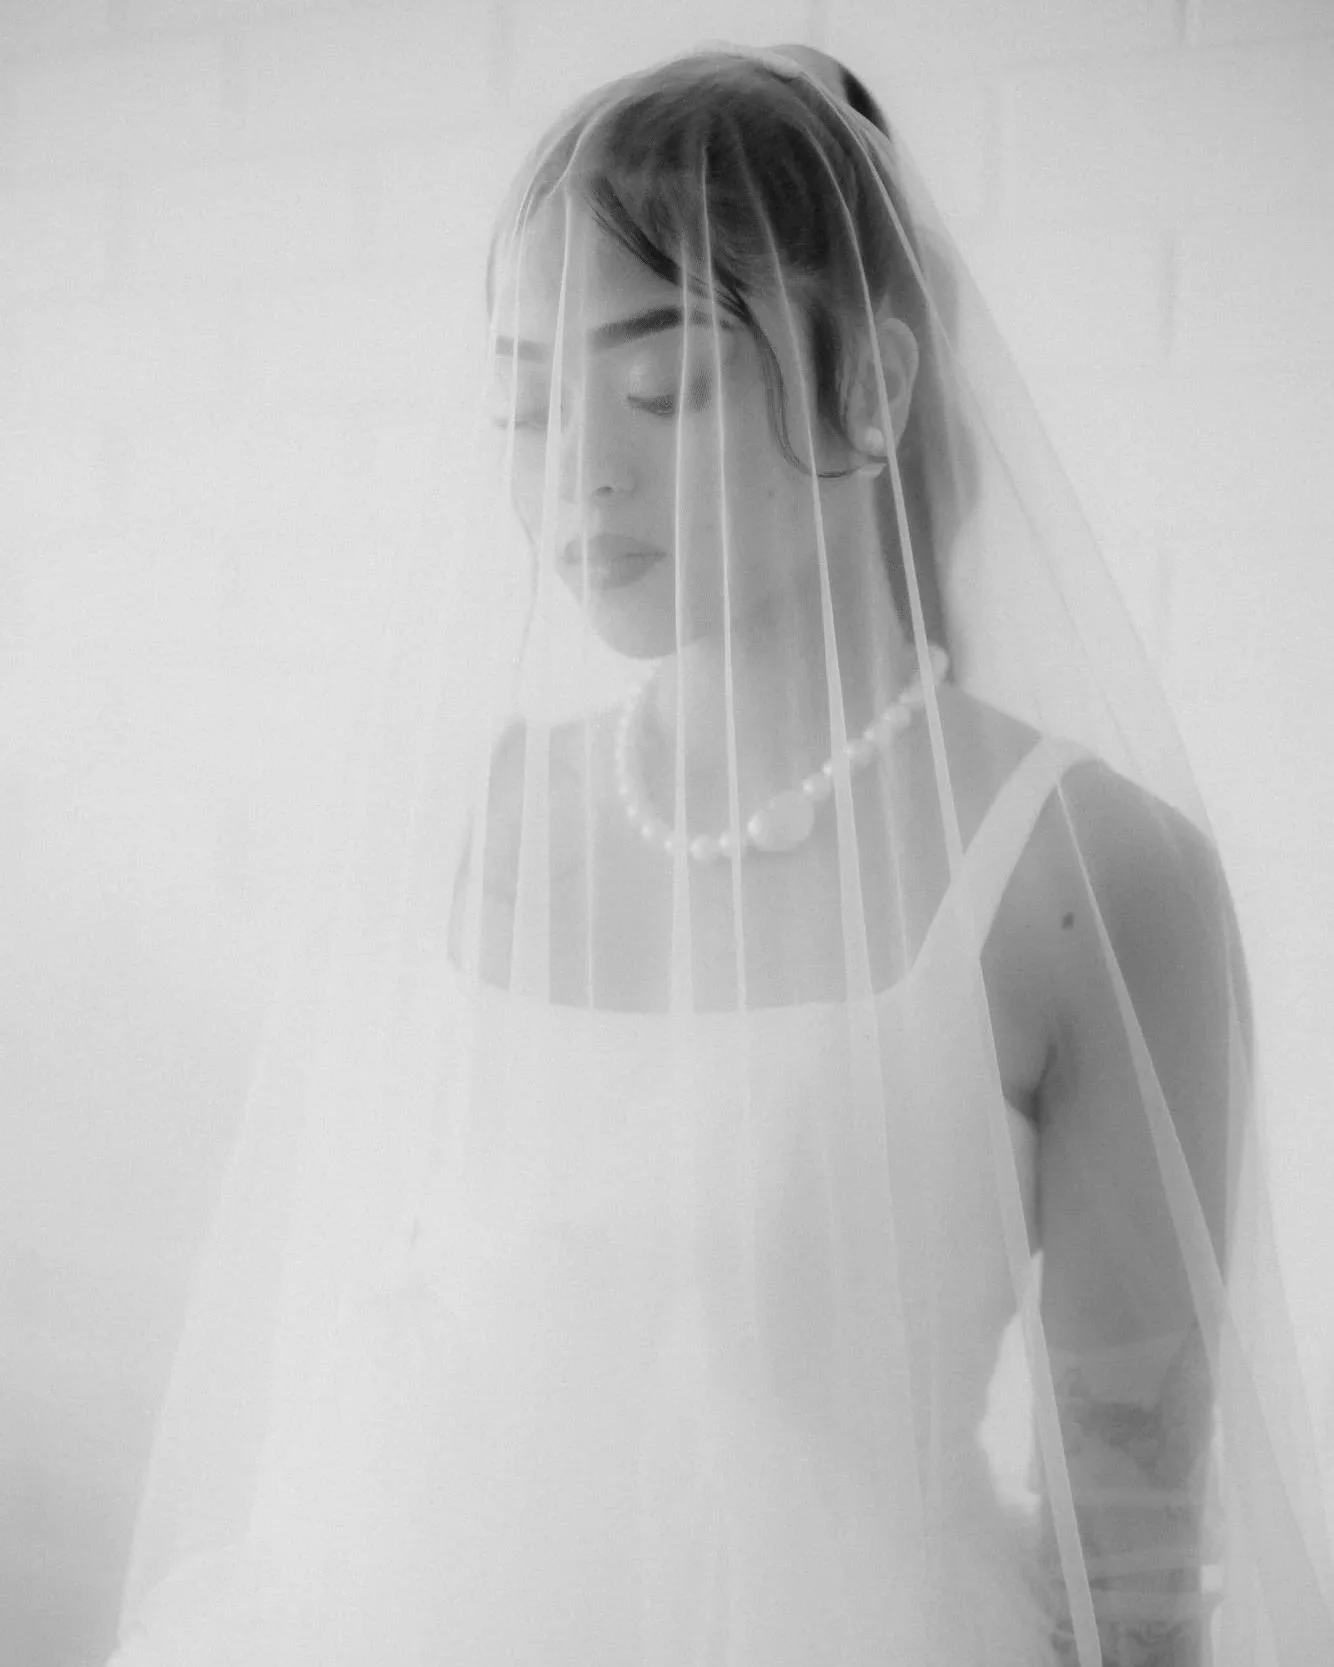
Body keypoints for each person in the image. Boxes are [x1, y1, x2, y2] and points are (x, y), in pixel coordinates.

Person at [108, 43, 1334, 1666]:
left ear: (877, 385)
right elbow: (344, 1366)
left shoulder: (1092, 873)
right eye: (525, 401)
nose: (576, 470)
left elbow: (1140, 1540)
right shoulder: (465, 819)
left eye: (661, 386)